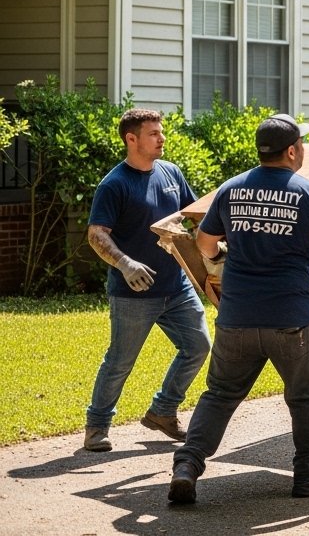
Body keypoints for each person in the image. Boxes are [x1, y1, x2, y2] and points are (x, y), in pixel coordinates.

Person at [168, 114, 309, 504]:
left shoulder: (231, 189)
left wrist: (224, 253)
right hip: (290, 322)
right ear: (292, 150)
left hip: (236, 319)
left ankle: (187, 466)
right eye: (302, 145)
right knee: (305, 397)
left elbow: (205, 243)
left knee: (220, 394)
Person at [83, 108, 211, 452]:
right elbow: (97, 234)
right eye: (154, 133)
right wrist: (125, 264)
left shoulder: (171, 173)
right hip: (133, 293)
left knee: (198, 346)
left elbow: (192, 216)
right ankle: (96, 427)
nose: (162, 138)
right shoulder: (115, 184)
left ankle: (163, 411)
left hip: (177, 285)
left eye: (161, 132)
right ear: (132, 139)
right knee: (120, 361)